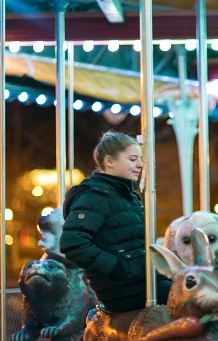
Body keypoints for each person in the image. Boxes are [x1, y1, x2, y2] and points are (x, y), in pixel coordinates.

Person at [59, 131, 171, 313]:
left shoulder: (127, 196)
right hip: (124, 288)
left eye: (140, 159)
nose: (140, 165)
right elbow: (73, 243)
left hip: (144, 280)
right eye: (133, 159)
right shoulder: (95, 196)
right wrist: (118, 267)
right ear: (110, 161)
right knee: (196, 299)